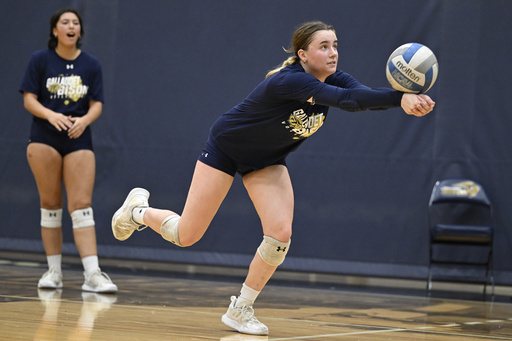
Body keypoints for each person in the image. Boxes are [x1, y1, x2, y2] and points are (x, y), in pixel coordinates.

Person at [112, 21, 434, 335]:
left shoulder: (336, 78)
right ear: (303, 54)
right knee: (186, 235)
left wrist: (401, 97)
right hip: (226, 148)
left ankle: (240, 309)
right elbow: (348, 102)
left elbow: (362, 96)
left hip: (265, 161)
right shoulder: (290, 81)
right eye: (324, 46)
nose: (333, 52)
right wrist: (398, 98)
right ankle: (138, 210)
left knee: (280, 234)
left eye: (335, 45)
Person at [19, 8, 117, 293]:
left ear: (79, 31)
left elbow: (97, 103)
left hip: (77, 138)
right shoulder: (40, 60)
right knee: (50, 204)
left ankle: (92, 274)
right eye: (65, 22)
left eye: (75, 22)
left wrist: (84, 120)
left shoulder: (91, 64)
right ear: (55, 30)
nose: (71, 26)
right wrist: (51, 115)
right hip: (44, 137)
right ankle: (54, 271)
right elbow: (29, 99)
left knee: (81, 205)